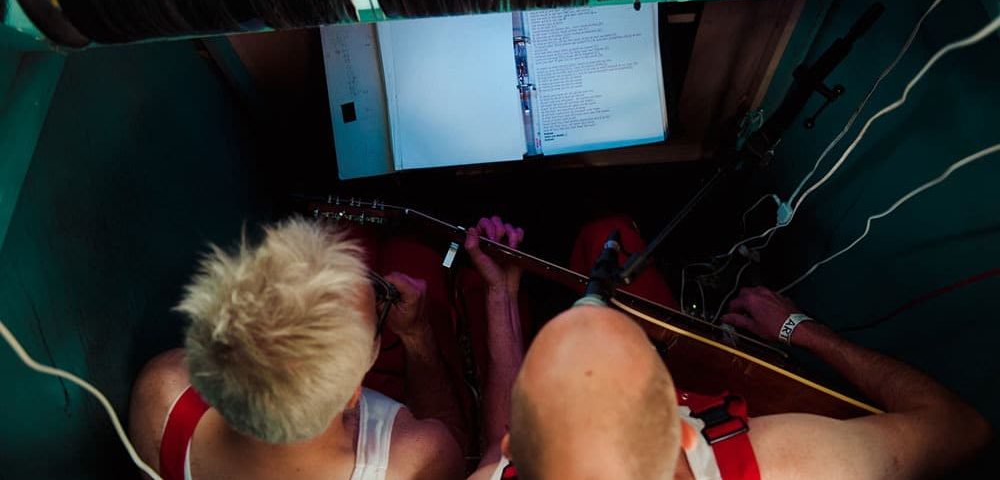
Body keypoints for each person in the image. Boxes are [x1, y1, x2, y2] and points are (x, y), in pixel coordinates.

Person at [473, 287, 993, 479]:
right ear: (680, 428)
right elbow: (962, 428)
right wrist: (803, 331)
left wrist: (499, 297)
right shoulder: (799, 464)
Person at [128, 217, 483, 480]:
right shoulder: (418, 460)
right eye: (374, 323)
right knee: (414, 254)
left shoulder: (162, 391)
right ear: (352, 395)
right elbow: (456, 442)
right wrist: (418, 336)